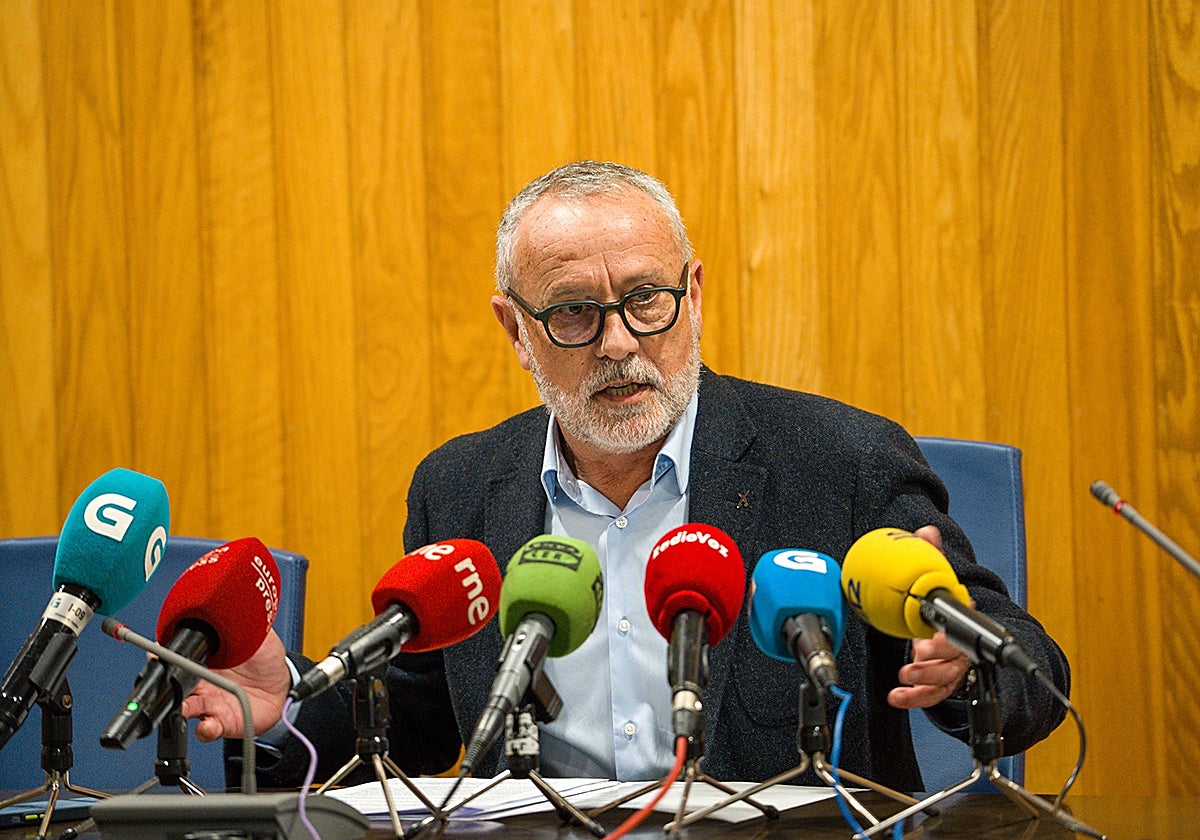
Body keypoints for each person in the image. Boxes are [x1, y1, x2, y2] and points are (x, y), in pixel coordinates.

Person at [182, 161, 1069, 792]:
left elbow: (1031, 675)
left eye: (648, 299)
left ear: (694, 290)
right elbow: (419, 716)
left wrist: (968, 665)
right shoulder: (460, 486)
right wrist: (285, 704)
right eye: (573, 312)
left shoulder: (841, 462)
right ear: (512, 328)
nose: (618, 343)